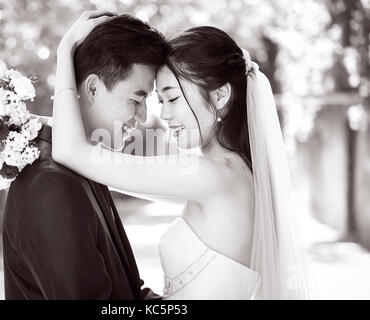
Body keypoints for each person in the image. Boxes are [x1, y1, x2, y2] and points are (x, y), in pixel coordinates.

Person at [51, 12, 316, 299]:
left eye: (173, 98)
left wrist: (65, 51)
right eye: (161, 101)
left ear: (219, 96)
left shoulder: (212, 176)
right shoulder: (230, 172)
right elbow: (102, 168)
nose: (164, 115)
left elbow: (71, 152)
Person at [2, 11, 166, 299]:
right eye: (136, 99)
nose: (143, 116)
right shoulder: (51, 185)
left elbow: (128, 292)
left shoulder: (84, 161)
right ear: (92, 87)